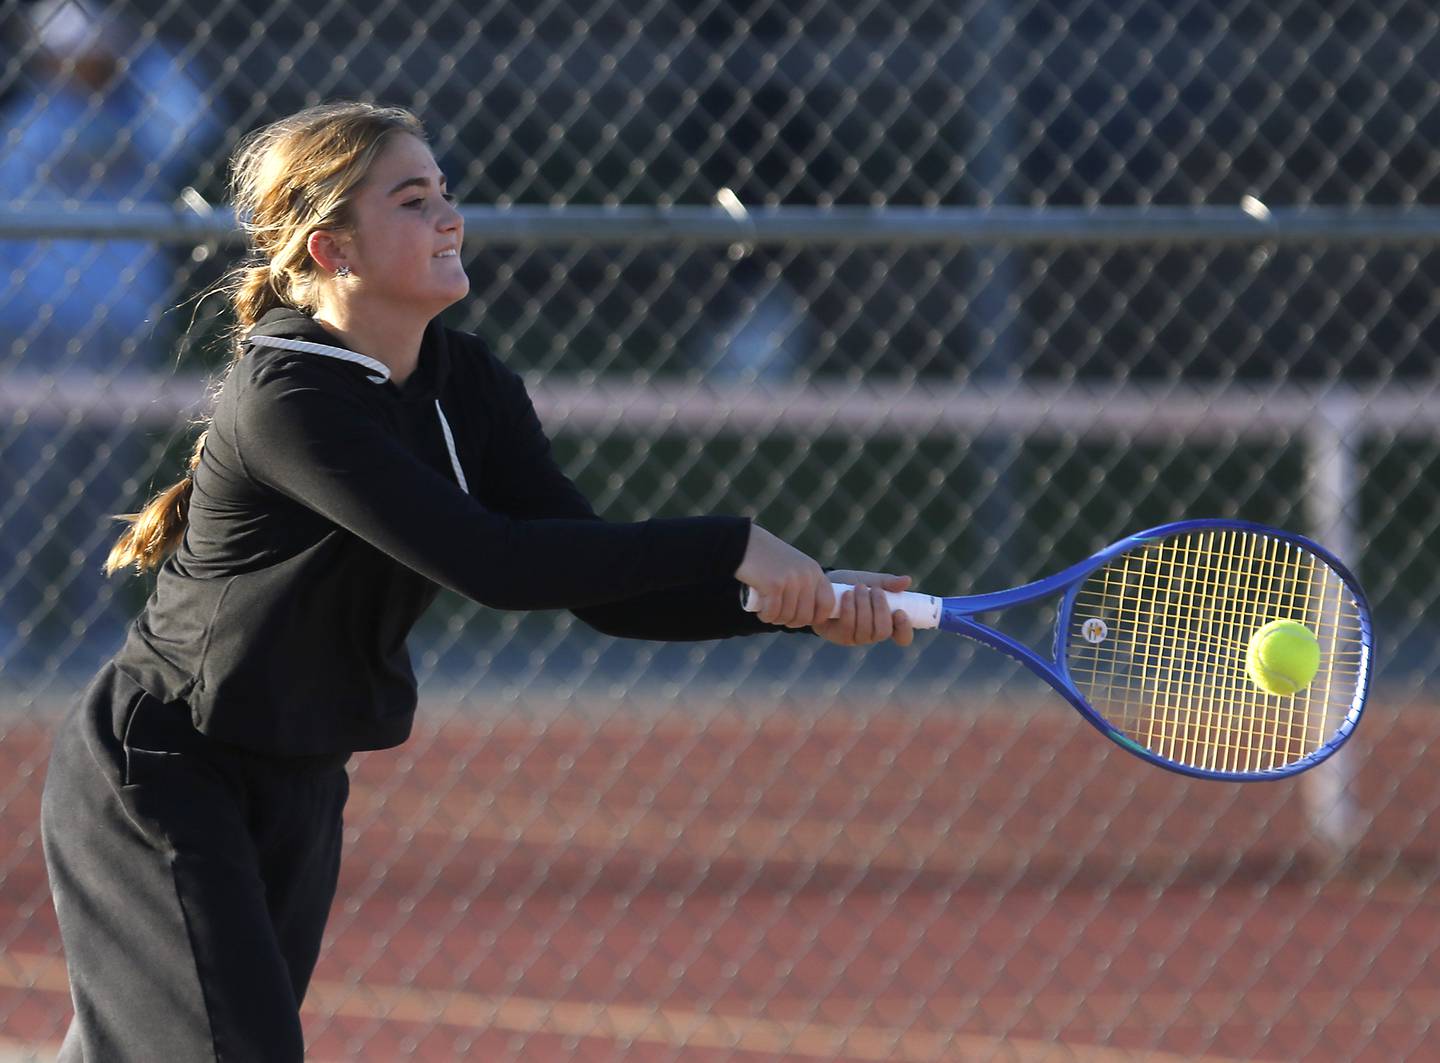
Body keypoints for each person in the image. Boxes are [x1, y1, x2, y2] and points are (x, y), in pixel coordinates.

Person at [39, 100, 916, 1061]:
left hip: (298, 778)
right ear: (332, 250)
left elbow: (594, 581)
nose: (451, 217)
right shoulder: (288, 397)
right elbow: (491, 562)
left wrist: (804, 605)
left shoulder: (469, 382)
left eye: (446, 193)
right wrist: (732, 541)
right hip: (168, 766)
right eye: (414, 202)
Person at [0, 0, 225, 672]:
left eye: (92, 47)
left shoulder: (141, 110)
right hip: (37, 327)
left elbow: (195, 118)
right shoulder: (26, 122)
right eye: (66, 50)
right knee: (31, 482)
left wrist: (134, 53)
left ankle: (91, 624)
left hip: (124, 322)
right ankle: (12, 620)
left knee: (109, 482)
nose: (80, 62)